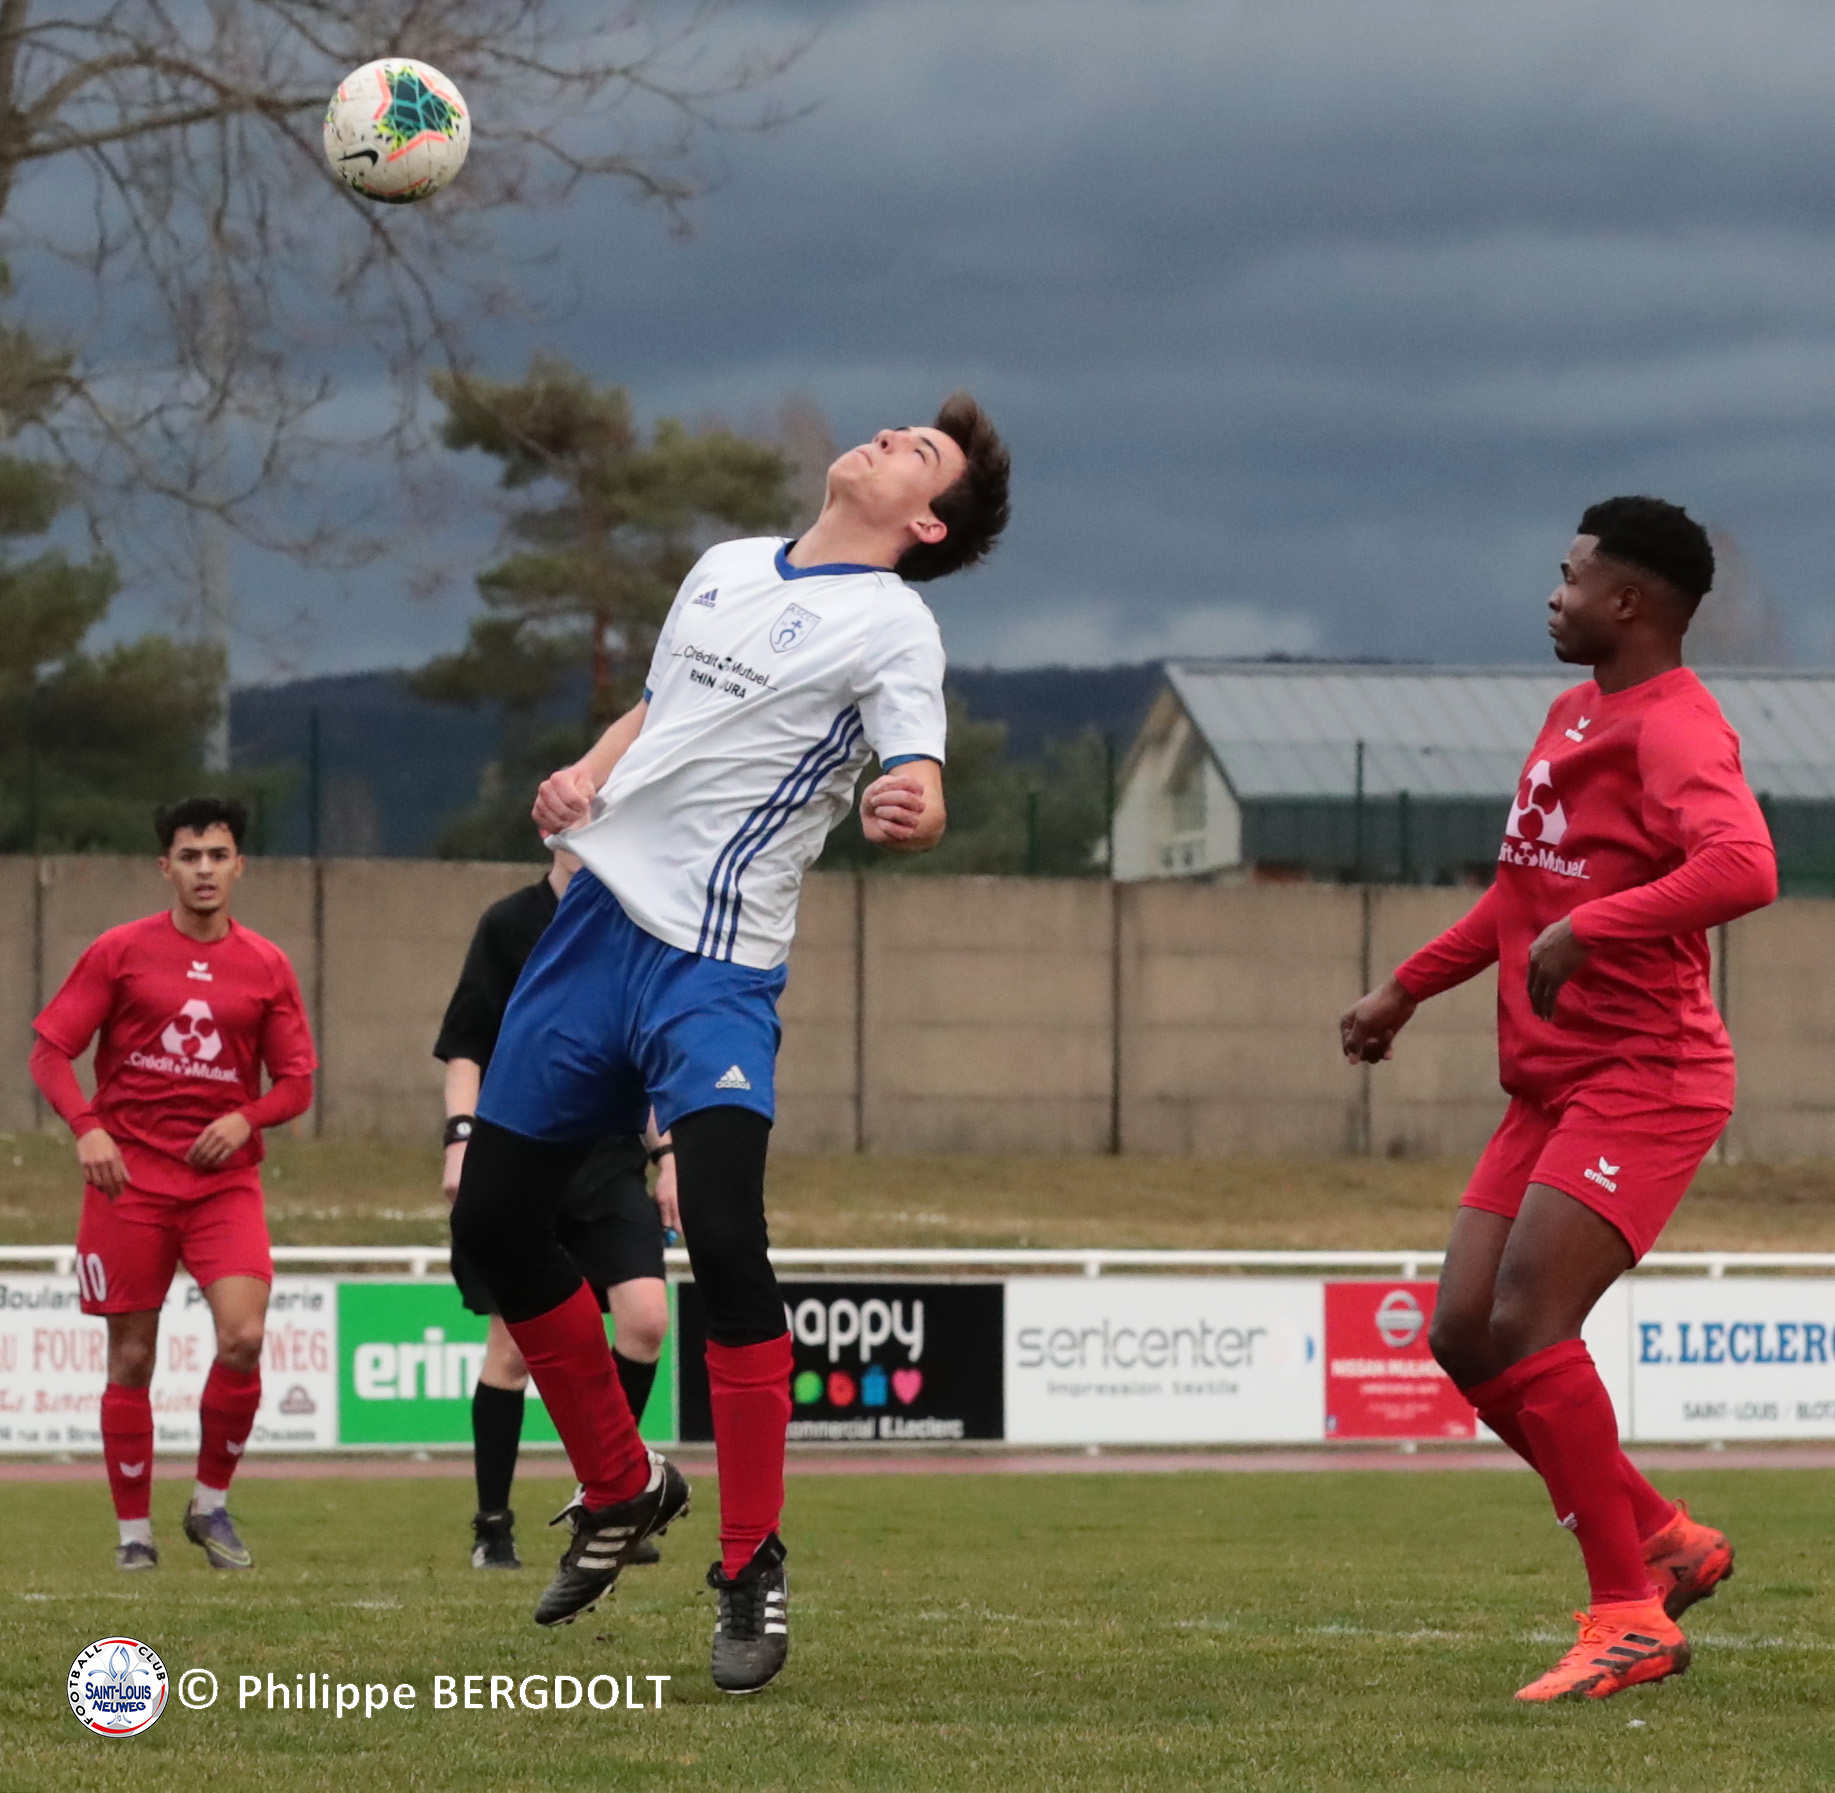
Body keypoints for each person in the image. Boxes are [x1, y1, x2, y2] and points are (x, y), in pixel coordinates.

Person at [452, 392, 1010, 1693]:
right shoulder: (720, 566)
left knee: (720, 1230)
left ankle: (750, 1560)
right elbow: (656, 713)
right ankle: (620, 1484)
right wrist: (587, 775)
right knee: (491, 1227)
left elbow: (918, 772)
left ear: (926, 522)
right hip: (590, 933)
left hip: (712, 964)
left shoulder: (892, 622)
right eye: (898, 428)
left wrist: (913, 804)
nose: (886, 438)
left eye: (917, 452)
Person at [1341, 497, 1777, 1704]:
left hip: (1646, 1075)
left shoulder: (1676, 726)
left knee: (1529, 1316)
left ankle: (1628, 1615)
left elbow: (1743, 865)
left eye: (1570, 574)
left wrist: (1597, 925)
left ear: (1624, 601)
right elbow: (1522, 895)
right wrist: (1404, 986)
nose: (1552, 591)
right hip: (1546, 1084)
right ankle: (1664, 1537)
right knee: (1460, 1330)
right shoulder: (1569, 713)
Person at [30, 797, 316, 1571]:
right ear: (166, 867)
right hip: (129, 1182)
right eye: (189, 857)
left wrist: (246, 1117)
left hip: (223, 1186)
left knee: (244, 1336)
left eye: (217, 855)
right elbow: (49, 1051)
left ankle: (209, 1504)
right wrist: (87, 1126)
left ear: (239, 866)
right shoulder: (120, 950)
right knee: (131, 1358)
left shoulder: (266, 964)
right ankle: (134, 1537)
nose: (204, 870)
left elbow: (297, 1082)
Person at [435, 847, 677, 1570]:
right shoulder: (510, 923)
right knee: (511, 1352)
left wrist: (668, 1155)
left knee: (646, 1320)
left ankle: (610, 1497)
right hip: (523, 1153)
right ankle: (492, 1526)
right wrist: (460, 1139)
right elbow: (466, 1047)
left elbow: (649, 1055)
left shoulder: (639, 919)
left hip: (609, 1162)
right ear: (552, 830)